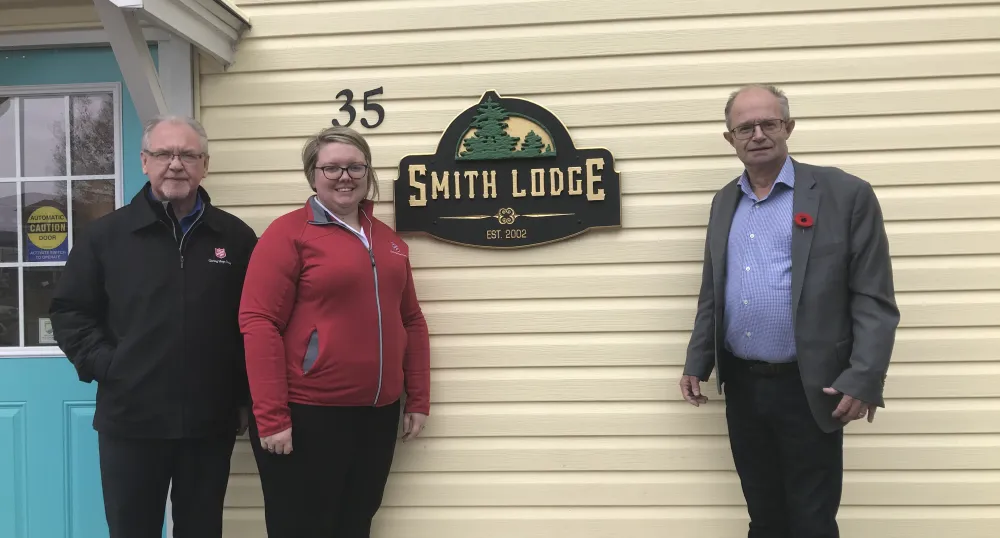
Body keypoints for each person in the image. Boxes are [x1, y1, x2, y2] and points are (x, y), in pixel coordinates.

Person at [679, 84, 899, 538]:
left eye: (769, 123)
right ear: (730, 138)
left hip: (812, 386)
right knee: (764, 517)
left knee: (812, 520)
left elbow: (874, 299)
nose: (757, 134)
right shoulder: (725, 202)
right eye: (745, 127)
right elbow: (713, 291)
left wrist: (863, 377)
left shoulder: (845, 194)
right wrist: (697, 361)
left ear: (788, 128)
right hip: (743, 384)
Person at [48, 115, 259, 538]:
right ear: (144, 162)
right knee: (132, 530)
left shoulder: (235, 239)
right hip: (131, 420)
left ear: (205, 165)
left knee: (201, 530)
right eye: (164, 154)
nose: (175, 164)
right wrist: (111, 366)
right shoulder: (106, 236)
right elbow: (70, 311)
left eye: (188, 155)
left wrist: (240, 396)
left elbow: (249, 324)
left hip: (208, 422)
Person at [239, 125, 431, 537]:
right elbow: (259, 323)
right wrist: (271, 417)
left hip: (377, 414)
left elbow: (411, 320)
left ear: (368, 172)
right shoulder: (288, 234)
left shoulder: (389, 241)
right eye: (331, 168)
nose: (345, 176)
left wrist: (418, 398)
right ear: (313, 175)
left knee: (354, 524)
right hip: (309, 414)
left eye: (354, 167)